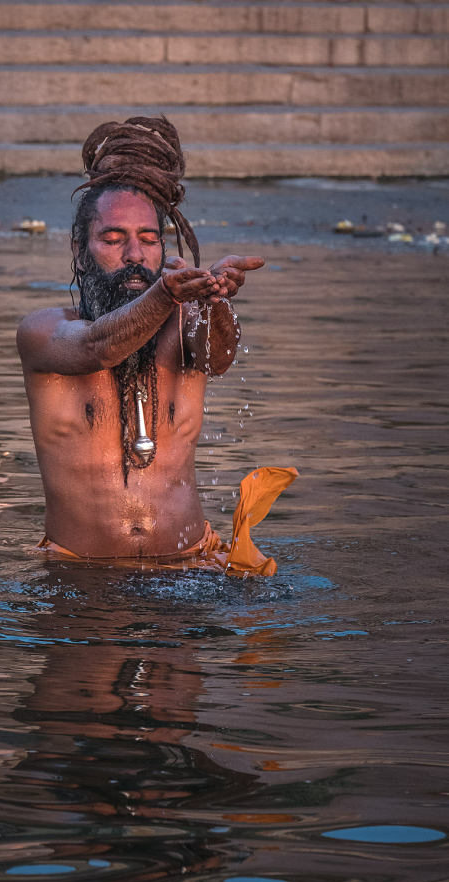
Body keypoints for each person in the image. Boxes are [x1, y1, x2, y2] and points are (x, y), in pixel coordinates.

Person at [17, 116, 296, 574]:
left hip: (191, 566)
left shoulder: (183, 317)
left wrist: (215, 300)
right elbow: (96, 348)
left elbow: (219, 358)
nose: (134, 256)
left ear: (163, 248)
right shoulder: (43, 331)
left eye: (148, 240)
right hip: (82, 574)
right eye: (112, 238)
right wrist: (165, 294)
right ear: (78, 249)